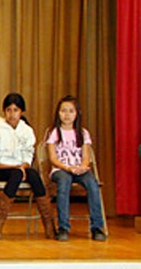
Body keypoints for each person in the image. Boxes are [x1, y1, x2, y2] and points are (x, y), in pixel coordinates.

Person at [0, 93, 55, 239]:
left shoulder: (27, 130)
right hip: (1, 170)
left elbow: (28, 154)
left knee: (34, 174)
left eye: (16, 110)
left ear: (21, 112)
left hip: (20, 168)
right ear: (4, 111)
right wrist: (15, 168)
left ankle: (48, 221)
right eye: (9, 110)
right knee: (16, 174)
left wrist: (23, 166)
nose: (12, 114)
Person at [45, 95, 106, 241]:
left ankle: (97, 227)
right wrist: (68, 168)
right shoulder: (53, 132)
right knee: (64, 182)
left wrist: (82, 167)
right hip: (61, 170)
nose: (67, 115)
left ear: (77, 113)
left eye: (71, 111)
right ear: (58, 113)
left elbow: (86, 157)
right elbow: (53, 158)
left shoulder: (83, 133)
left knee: (92, 183)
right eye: (63, 111)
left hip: (79, 169)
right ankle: (63, 227)